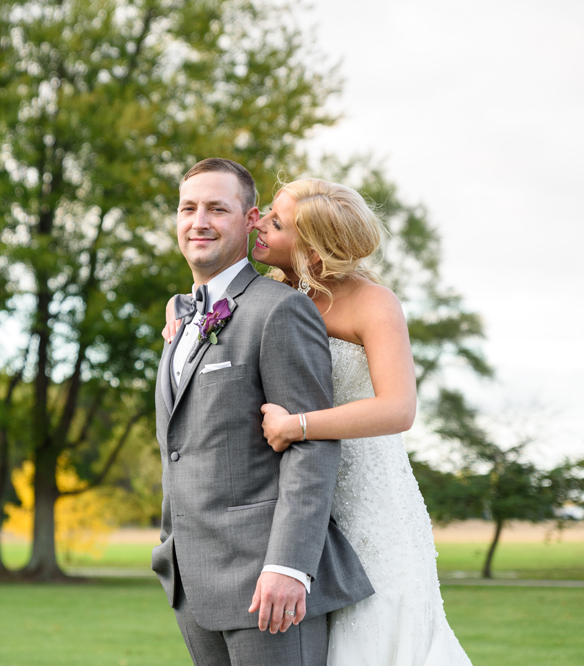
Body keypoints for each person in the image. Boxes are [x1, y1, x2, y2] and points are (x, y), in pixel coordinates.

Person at [163, 177, 473, 665]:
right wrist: (185, 317)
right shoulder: (271, 297)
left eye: (276, 223)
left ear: (312, 250)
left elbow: (399, 409)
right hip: (296, 506)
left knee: (375, 639)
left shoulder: (373, 303)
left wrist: (300, 425)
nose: (258, 224)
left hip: (366, 501)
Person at [152, 158, 373, 666]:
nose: (198, 221)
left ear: (250, 220)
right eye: (188, 208)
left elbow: (311, 442)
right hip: (192, 578)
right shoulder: (182, 316)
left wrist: (290, 566)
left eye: (217, 209)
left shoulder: (279, 310)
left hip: (267, 583)